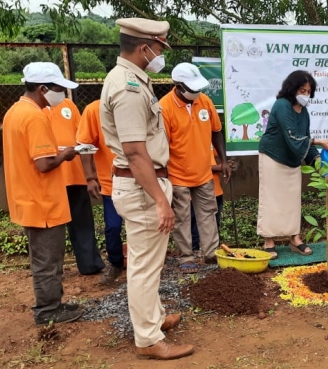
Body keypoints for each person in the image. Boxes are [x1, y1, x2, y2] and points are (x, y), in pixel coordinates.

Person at [100, 18, 193, 360]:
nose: (161, 54)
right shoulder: (128, 87)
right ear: (144, 48)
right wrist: (160, 201)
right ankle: (148, 340)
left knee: (149, 262)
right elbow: (137, 154)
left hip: (142, 184)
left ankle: (152, 320)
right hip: (142, 187)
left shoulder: (132, 80)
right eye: (160, 47)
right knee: (143, 267)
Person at [3, 62, 83, 325]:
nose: (61, 95)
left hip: (28, 197)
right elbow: (43, 164)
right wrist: (66, 154)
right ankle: (48, 311)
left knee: (47, 257)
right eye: (58, 89)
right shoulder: (35, 117)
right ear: (42, 88)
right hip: (42, 201)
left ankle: (54, 303)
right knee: (47, 260)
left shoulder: (15, 112)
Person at [257, 70, 328, 259]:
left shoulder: (304, 111)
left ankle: (294, 239)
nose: (306, 95)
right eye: (303, 90)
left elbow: (304, 138)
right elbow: (293, 136)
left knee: (292, 201)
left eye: (309, 91)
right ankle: (269, 241)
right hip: (273, 157)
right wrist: (317, 141)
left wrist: (319, 163)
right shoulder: (282, 105)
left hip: (292, 160)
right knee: (271, 199)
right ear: (293, 89)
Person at [161, 62, 229, 273]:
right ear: (178, 85)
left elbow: (216, 131)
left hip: (204, 172)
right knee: (181, 217)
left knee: (208, 213)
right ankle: (186, 256)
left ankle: (210, 254)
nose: (197, 92)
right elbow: (160, 145)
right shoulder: (164, 108)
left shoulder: (204, 101)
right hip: (177, 174)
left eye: (198, 88)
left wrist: (223, 160)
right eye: (192, 89)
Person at [44, 97, 106, 275]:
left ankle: (90, 264)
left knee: (83, 222)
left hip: (75, 175)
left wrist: (90, 176)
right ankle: (51, 271)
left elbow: (83, 138)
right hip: (51, 178)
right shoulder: (33, 111)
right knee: (52, 228)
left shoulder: (68, 105)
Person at [76, 100, 127, 286]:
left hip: (139, 181)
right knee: (113, 227)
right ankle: (115, 263)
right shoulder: (93, 110)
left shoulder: (135, 104)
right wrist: (90, 178)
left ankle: (143, 265)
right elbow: (85, 145)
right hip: (111, 182)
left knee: (141, 225)